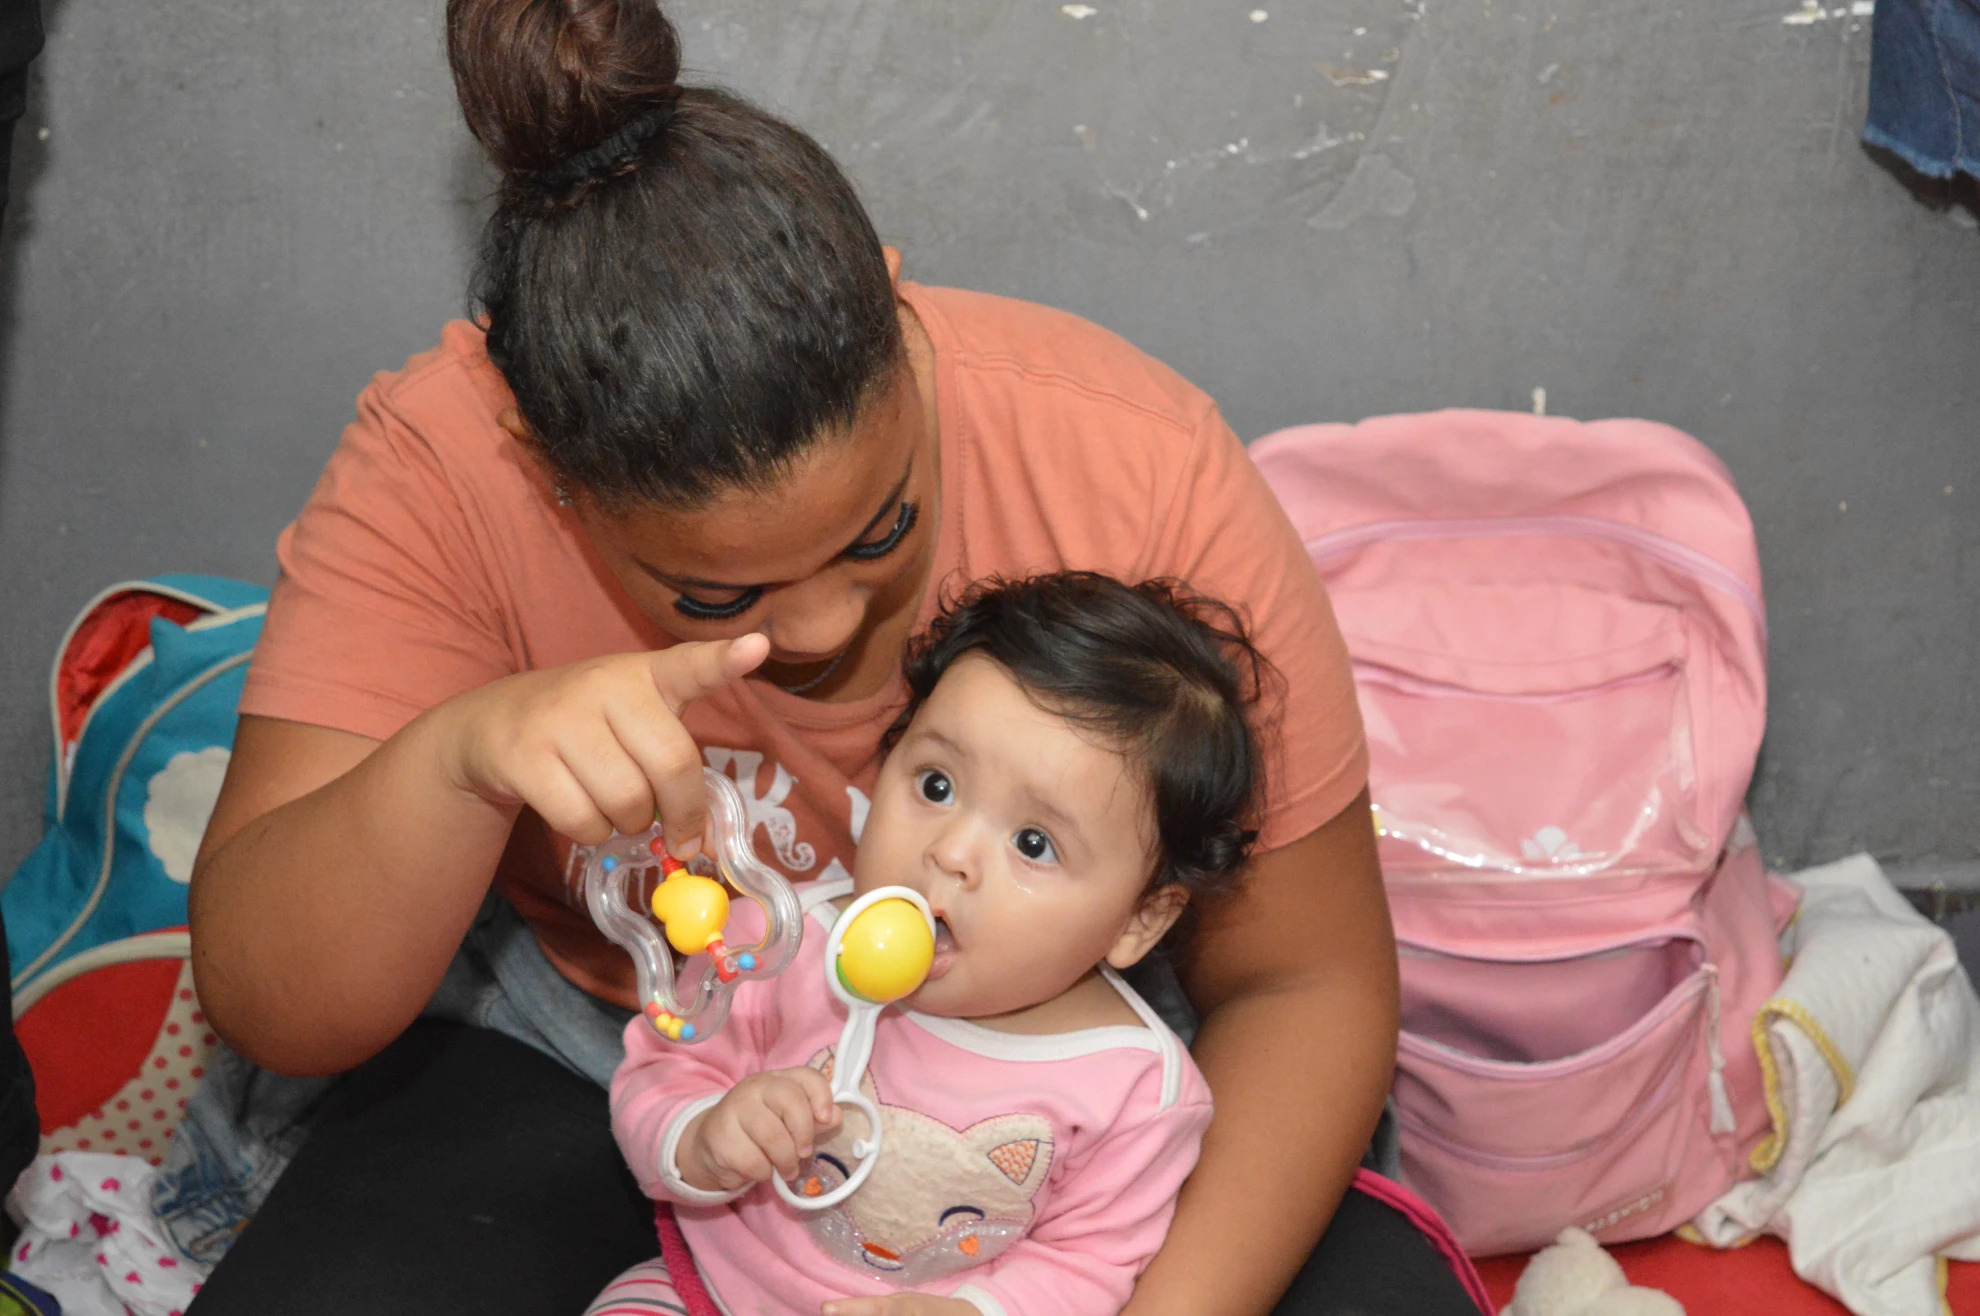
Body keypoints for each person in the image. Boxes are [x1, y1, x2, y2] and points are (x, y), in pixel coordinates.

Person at [184, 1, 1468, 1312]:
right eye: (709, 590)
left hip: (1057, 1093)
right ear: (542, 468)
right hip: (614, 1046)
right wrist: (459, 762)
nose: (816, 631)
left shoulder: (1139, 466)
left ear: (896, 316)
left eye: (884, 530)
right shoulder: (445, 473)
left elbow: (1305, 976)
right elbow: (275, 1007)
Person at [595, 574, 1252, 1316]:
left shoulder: (1134, 1089)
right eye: (935, 786)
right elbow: (659, 1072)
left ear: (1141, 919)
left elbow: (1088, 1263)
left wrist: (980, 1312)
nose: (951, 853)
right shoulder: (783, 943)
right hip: (714, 1285)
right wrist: (701, 1136)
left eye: (1033, 843)